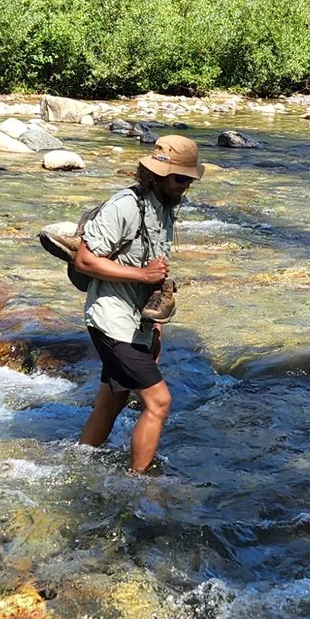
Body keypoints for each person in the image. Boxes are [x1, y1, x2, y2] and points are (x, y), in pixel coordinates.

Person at [74, 134, 203, 474]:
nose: (184, 187)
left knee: (112, 401)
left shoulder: (165, 209)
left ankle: (78, 463)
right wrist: (144, 276)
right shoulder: (124, 205)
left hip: (136, 324)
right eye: (179, 179)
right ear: (157, 175)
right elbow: (85, 262)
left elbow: (155, 271)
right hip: (110, 318)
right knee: (159, 402)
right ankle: (139, 483)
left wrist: (155, 326)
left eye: (188, 180)